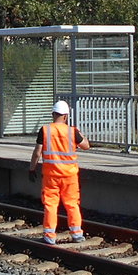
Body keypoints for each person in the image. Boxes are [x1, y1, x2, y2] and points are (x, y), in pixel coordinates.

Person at [28, 100, 91, 244]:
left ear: (53, 114)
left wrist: (32, 169)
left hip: (51, 176)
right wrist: (80, 134)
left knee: (51, 205)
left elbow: (37, 152)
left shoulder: (45, 130)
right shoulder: (72, 131)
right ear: (66, 116)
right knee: (72, 204)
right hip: (70, 176)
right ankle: (77, 234)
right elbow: (86, 146)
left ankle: (50, 236)